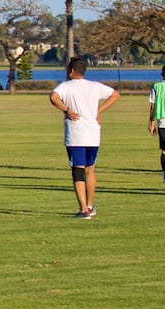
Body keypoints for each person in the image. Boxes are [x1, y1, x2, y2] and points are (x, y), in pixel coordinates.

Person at [49, 58, 120, 219]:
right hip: (94, 134)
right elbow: (115, 94)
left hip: (76, 134)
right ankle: (89, 205)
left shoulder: (66, 86)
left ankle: (83, 210)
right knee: (90, 169)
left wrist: (67, 110)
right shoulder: (94, 86)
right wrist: (99, 111)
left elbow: (53, 97)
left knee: (78, 170)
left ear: (71, 71)